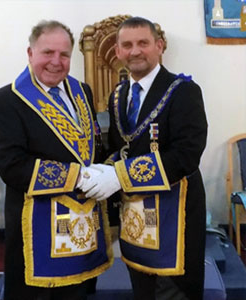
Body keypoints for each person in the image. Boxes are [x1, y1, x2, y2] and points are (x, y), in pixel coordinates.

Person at [0, 20, 112, 300]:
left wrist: (109, 172)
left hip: (82, 227)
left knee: (78, 294)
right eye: (47, 53)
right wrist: (80, 177)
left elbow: (91, 147)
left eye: (64, 55)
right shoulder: (4, 101)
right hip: (38, 232)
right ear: (30, 53)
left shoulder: (83, 92)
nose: (56, 61)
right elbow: (13, 166)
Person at [86, 16, 208, 300]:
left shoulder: (184, 91)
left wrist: (120, 175)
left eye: (143, 43)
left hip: (174, 215)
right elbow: (121, 148)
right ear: (118, 52)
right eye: (127, 45)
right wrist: (99, 171)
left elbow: (186, 156)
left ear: (159, 46)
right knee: (142, 288)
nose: (135, 51)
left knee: (173, 293)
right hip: (136, 219)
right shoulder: (118, 95)